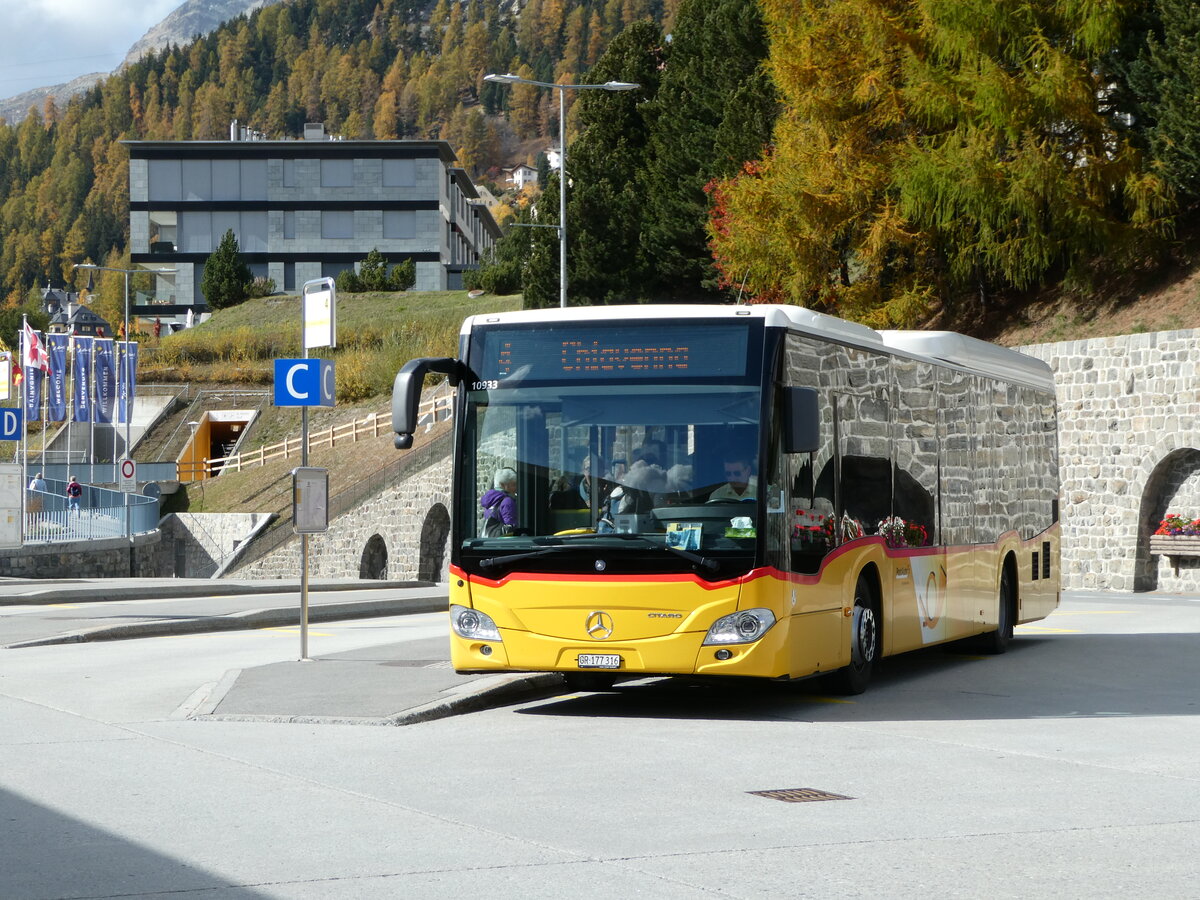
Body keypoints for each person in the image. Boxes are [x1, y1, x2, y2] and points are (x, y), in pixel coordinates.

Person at [480, 468, 517, 536]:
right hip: (502, 540)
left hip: (489, 540)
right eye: (513, 485)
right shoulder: (507, 501)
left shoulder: (491, 500)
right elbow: (510, 527)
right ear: (503, 485)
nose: (516, 488)